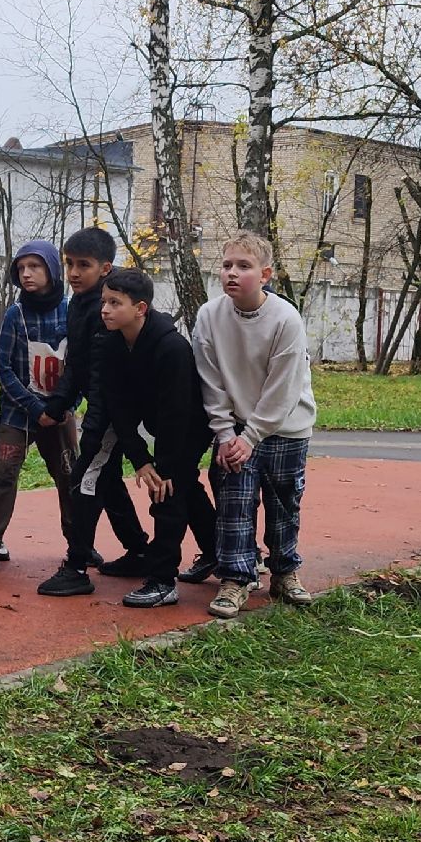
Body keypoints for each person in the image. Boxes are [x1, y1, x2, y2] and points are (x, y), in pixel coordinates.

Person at [191, 231, 318, 618]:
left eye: (243, 266)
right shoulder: (209, 316)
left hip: (284, 429)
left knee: (284, 504)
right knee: (234, 504)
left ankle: (285, 572)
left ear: (265, 275)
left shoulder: (285, 319)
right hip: (234, 431)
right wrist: (227, 435)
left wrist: (252, 436)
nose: (232, 273)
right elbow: (210, 381)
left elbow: (284, 388)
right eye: (227, 265)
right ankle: (236, 578)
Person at [36, 228, 151, 597]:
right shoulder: (80, 304)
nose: (73, 272)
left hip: (113, 415)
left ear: (105, 269)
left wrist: (95, 426)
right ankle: (138, 551)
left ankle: (77, 566)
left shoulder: (106, 311)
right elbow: (77, 365)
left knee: (84, 480)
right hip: (103, 410)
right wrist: (57, 404)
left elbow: (105, 379)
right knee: (107, 481)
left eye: (83, 265)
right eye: (69, 263)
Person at [96, 269, 213, 608]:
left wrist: (160, 466)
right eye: (104, 301)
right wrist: (139, 458)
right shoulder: (110, 341)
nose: (105, 309)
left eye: (115, 303)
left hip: (189, 427)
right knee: (185, 487)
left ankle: (162, 580)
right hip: (160, 424)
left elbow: (176, 413)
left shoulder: (171, 348)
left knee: (167, 491)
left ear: (141, 308)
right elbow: (116, 405)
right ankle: (219, 552)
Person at [0, 240, 76, 574]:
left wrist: (62, 406)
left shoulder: (72, 312)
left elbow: (80, 365)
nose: (27, 274)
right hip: (18, 413)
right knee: (2, 475)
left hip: (61, 413)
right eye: (21, 269)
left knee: (70, 475)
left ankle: (80, 544)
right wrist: (32, 407)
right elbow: (5, 370)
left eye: (35, 267)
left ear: (52, 271)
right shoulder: (15, 315)